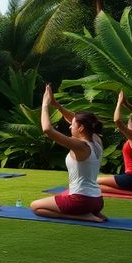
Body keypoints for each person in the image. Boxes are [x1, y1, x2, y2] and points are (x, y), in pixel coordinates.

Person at [30, 85, 106, 222]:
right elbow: (76, 119)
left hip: (81, 201)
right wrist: (57, 105)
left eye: (73, 125)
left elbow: (47, 129)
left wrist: (45, 105)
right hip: (97, 201)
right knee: (64, 193)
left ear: (81, 128)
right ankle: (90, 213)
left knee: (35, 206)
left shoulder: (80, 146)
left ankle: (82, 216)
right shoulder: (96, 140)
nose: (70, 125)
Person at [98, 91, 132, 196]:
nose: (127, 124)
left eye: (129, 122)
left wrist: (118, 103)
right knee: (95, 183)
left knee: (93, 184)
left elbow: (117, 121)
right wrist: (126, 104)